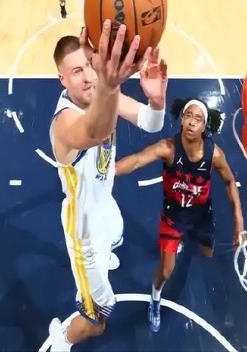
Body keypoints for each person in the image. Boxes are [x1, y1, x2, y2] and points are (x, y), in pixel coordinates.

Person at [47, 20, 168, 351]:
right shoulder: (64, 122)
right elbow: (95, 131)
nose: (88, 76)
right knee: (97, 320)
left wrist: (157, 101)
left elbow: (151, 123)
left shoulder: (103, 93)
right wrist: (110, 86)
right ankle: (61, 340)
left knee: (116, 233)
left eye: (89, 64)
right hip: (83, 228)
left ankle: (99, 263)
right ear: (62, 80)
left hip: (105, 208)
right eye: (76, 71)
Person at [116, 97, 245, 332]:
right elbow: (136, 161)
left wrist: (239, 221)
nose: (192, 122)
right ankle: (155, 297)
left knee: (207, 253)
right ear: (182, 120)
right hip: (173, 218)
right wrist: (108, 172)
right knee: (166, 270)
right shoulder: (168, 148)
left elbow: (229, 181)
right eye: (188, 116)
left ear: (204, 126)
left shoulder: (214, 154)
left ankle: (187, 241)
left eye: (198, 119)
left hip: (201, 217)